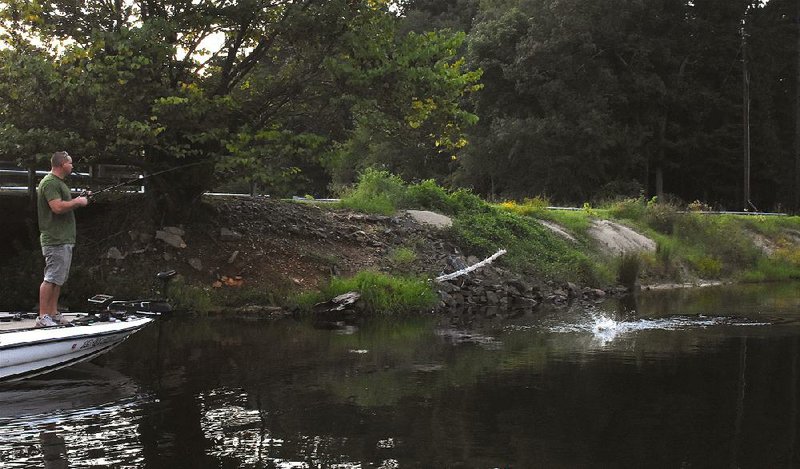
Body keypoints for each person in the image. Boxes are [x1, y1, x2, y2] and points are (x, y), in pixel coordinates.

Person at [36, 151, 91, 327]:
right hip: (55, 238)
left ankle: (53, 313)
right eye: (70, 163)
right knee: (51, 277)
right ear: (62, 164)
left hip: (64, 238)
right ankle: (43, 317)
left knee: (59, 278)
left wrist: (81, 199)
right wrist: (78, 202)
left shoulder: (58, 183)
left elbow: (65, 205)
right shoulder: (50, 182)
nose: (72, 166)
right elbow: (57, 207)